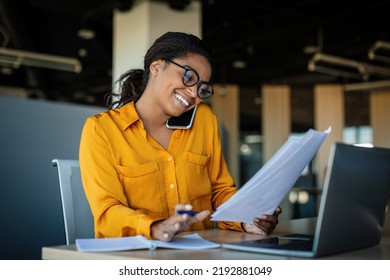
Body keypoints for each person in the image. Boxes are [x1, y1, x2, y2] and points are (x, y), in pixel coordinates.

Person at [79, 31, 281, 242]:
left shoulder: (204, 119)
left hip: (198, 255)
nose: (194, 93)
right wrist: (155, 228)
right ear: (156, 67)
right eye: (188, 77)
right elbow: (107, 211)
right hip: (134, 257)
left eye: (201, 87)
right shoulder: (102, 129)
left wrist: (246, 218)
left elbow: (219, 191)